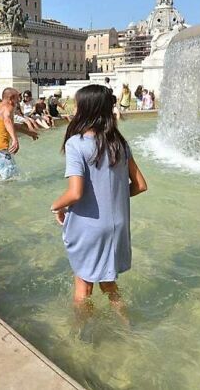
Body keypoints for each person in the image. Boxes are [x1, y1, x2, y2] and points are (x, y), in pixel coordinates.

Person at [50, 84, 147, 322]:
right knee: (109, 284)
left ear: (86, 109)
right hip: (118, 226)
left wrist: (56, 206)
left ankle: (83, 339)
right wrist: (113, 197)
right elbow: (140, 185)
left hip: (89, 227)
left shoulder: (77, 143)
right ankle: (127, 326)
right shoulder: (120, 144)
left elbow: (75, 193)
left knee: (83, 288)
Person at [0, 88, 38, 180]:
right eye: (17, 97)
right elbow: (7, 120)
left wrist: (29, 133)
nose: (19, 100)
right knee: (11, 178)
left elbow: (11, 125)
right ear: (11, 98)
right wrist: (15, 140)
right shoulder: (9, 107)